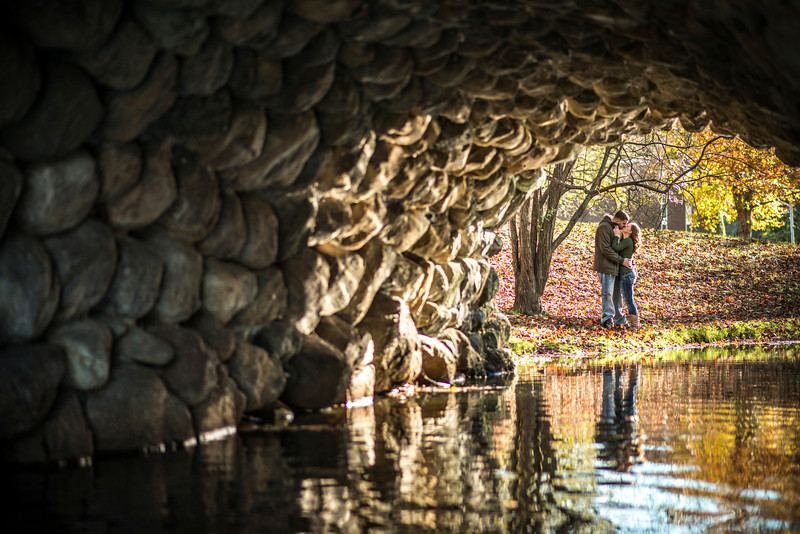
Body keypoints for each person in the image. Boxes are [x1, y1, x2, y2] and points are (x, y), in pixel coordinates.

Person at [593, 210, 633, 329]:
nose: (625, 226)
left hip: (615, 267)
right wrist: (621, 260)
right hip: (606, 266)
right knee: (608, 293)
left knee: (616, 295)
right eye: (624, 224)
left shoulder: (615, 229)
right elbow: (605, 249)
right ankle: (607, 318)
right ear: (617, 221)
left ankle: (619, 318)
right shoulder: (604, 228)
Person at [612, 221, 642, 329]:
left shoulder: (628, 241)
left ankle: (635, 325)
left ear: (630, 231)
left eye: (628, 226)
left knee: (629, 300)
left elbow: (615, 248)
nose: (625, 226)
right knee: (628, 299)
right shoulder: (626, 240)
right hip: (626, 274)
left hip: (626, 275)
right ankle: (634, 324)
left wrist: (615, 236)